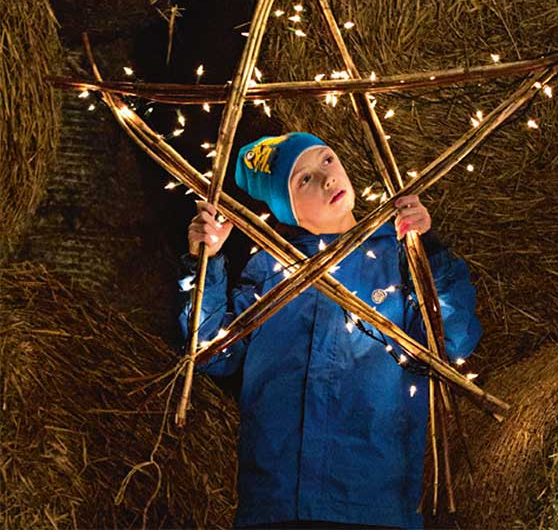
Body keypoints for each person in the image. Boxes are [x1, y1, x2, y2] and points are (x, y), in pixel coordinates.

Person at [177, 132, 482, 530]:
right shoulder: (270, 271)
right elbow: (210, 352)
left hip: (373, 504)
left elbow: (450, 343)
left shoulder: (395, 257)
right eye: (302, 179)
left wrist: (429, 252)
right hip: (276, 504)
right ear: (285, 209)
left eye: (326, 161)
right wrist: (206, 264)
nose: (326, 179)